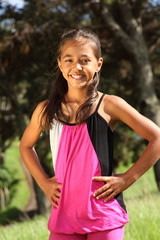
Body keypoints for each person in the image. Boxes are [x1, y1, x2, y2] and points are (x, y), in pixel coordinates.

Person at [19, 29, 160, 240]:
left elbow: (157, 138)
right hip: (64, 214)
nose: (77, 67)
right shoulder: (46, 109)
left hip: (104, 214)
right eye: (69, 60)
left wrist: (127, 179)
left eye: (85, 60)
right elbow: (25, 146)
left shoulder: (110, 105)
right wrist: (43, 182)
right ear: (59, 63)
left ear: (98, 64)